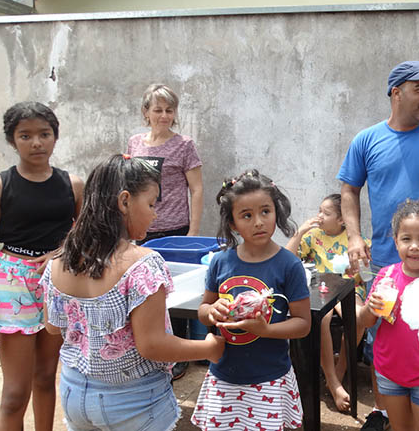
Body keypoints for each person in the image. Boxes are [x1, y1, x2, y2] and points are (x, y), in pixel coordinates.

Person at [41, 154, 225, 431]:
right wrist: (209, 348)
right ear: (124, 201)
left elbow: (53, 326)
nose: (155, 214)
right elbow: (152, 345)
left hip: (74, 394)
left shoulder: (58, 260)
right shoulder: (143, 264)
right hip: (133, 401)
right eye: (151, 204)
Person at [338, 60, 419, 431]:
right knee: (382, 339)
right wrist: (354, 236)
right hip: (383, 262)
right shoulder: (366, 140)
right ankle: (386, 414)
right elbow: (349, 190)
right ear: (396, 93)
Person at [0, 102, 84, 431]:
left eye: (44, 134)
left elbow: (85, 235)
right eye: (25, 135)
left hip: (57, 284)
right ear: (12, 140)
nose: (36, 142)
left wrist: (60, 252)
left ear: (55, 137)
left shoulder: (72, 185)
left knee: (47, 378)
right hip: (12, 286)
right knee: (14, 394)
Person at [191, 169, 310, 431]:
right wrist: (211, 311)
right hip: (225, 376)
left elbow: (303, 324)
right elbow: (202, 310)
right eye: (246, 215)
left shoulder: (289, 266)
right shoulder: (221, 262)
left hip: (268, 378)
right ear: (233, 223)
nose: (258, 222)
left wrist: (265, 330)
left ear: (276, 212)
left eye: (265, 211)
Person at [127, 83, 204, 379]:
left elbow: (196, 189)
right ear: (145, 112)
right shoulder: (135, 143)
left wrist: (193, 232)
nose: (164, 115)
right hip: (142, 230)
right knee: (146, 293)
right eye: (157, 109)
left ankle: (179, 353)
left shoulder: (184, 145)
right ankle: (149, 346)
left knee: (176, 294)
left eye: (169, 110)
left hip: (175, 231)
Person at [359, 200, 419, 431]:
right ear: (396, 241)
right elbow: (366, 322)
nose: (414, 246)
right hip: (390, 372)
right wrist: (370, 308)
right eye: (406, 239)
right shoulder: (386, 277)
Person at [285, 193, 369, 412]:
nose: (320, 216)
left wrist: (358, 267)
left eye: (326, 213)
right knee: (322, 318)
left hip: (349, 290)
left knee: (358, 318)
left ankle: (339, 371)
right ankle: (333, 382)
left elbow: (366, 272)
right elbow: (287, 259)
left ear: (341, 219)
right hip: (321, 291)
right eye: (319, 211)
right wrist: (300, 232)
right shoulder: (313, 236)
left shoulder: (355, 240)